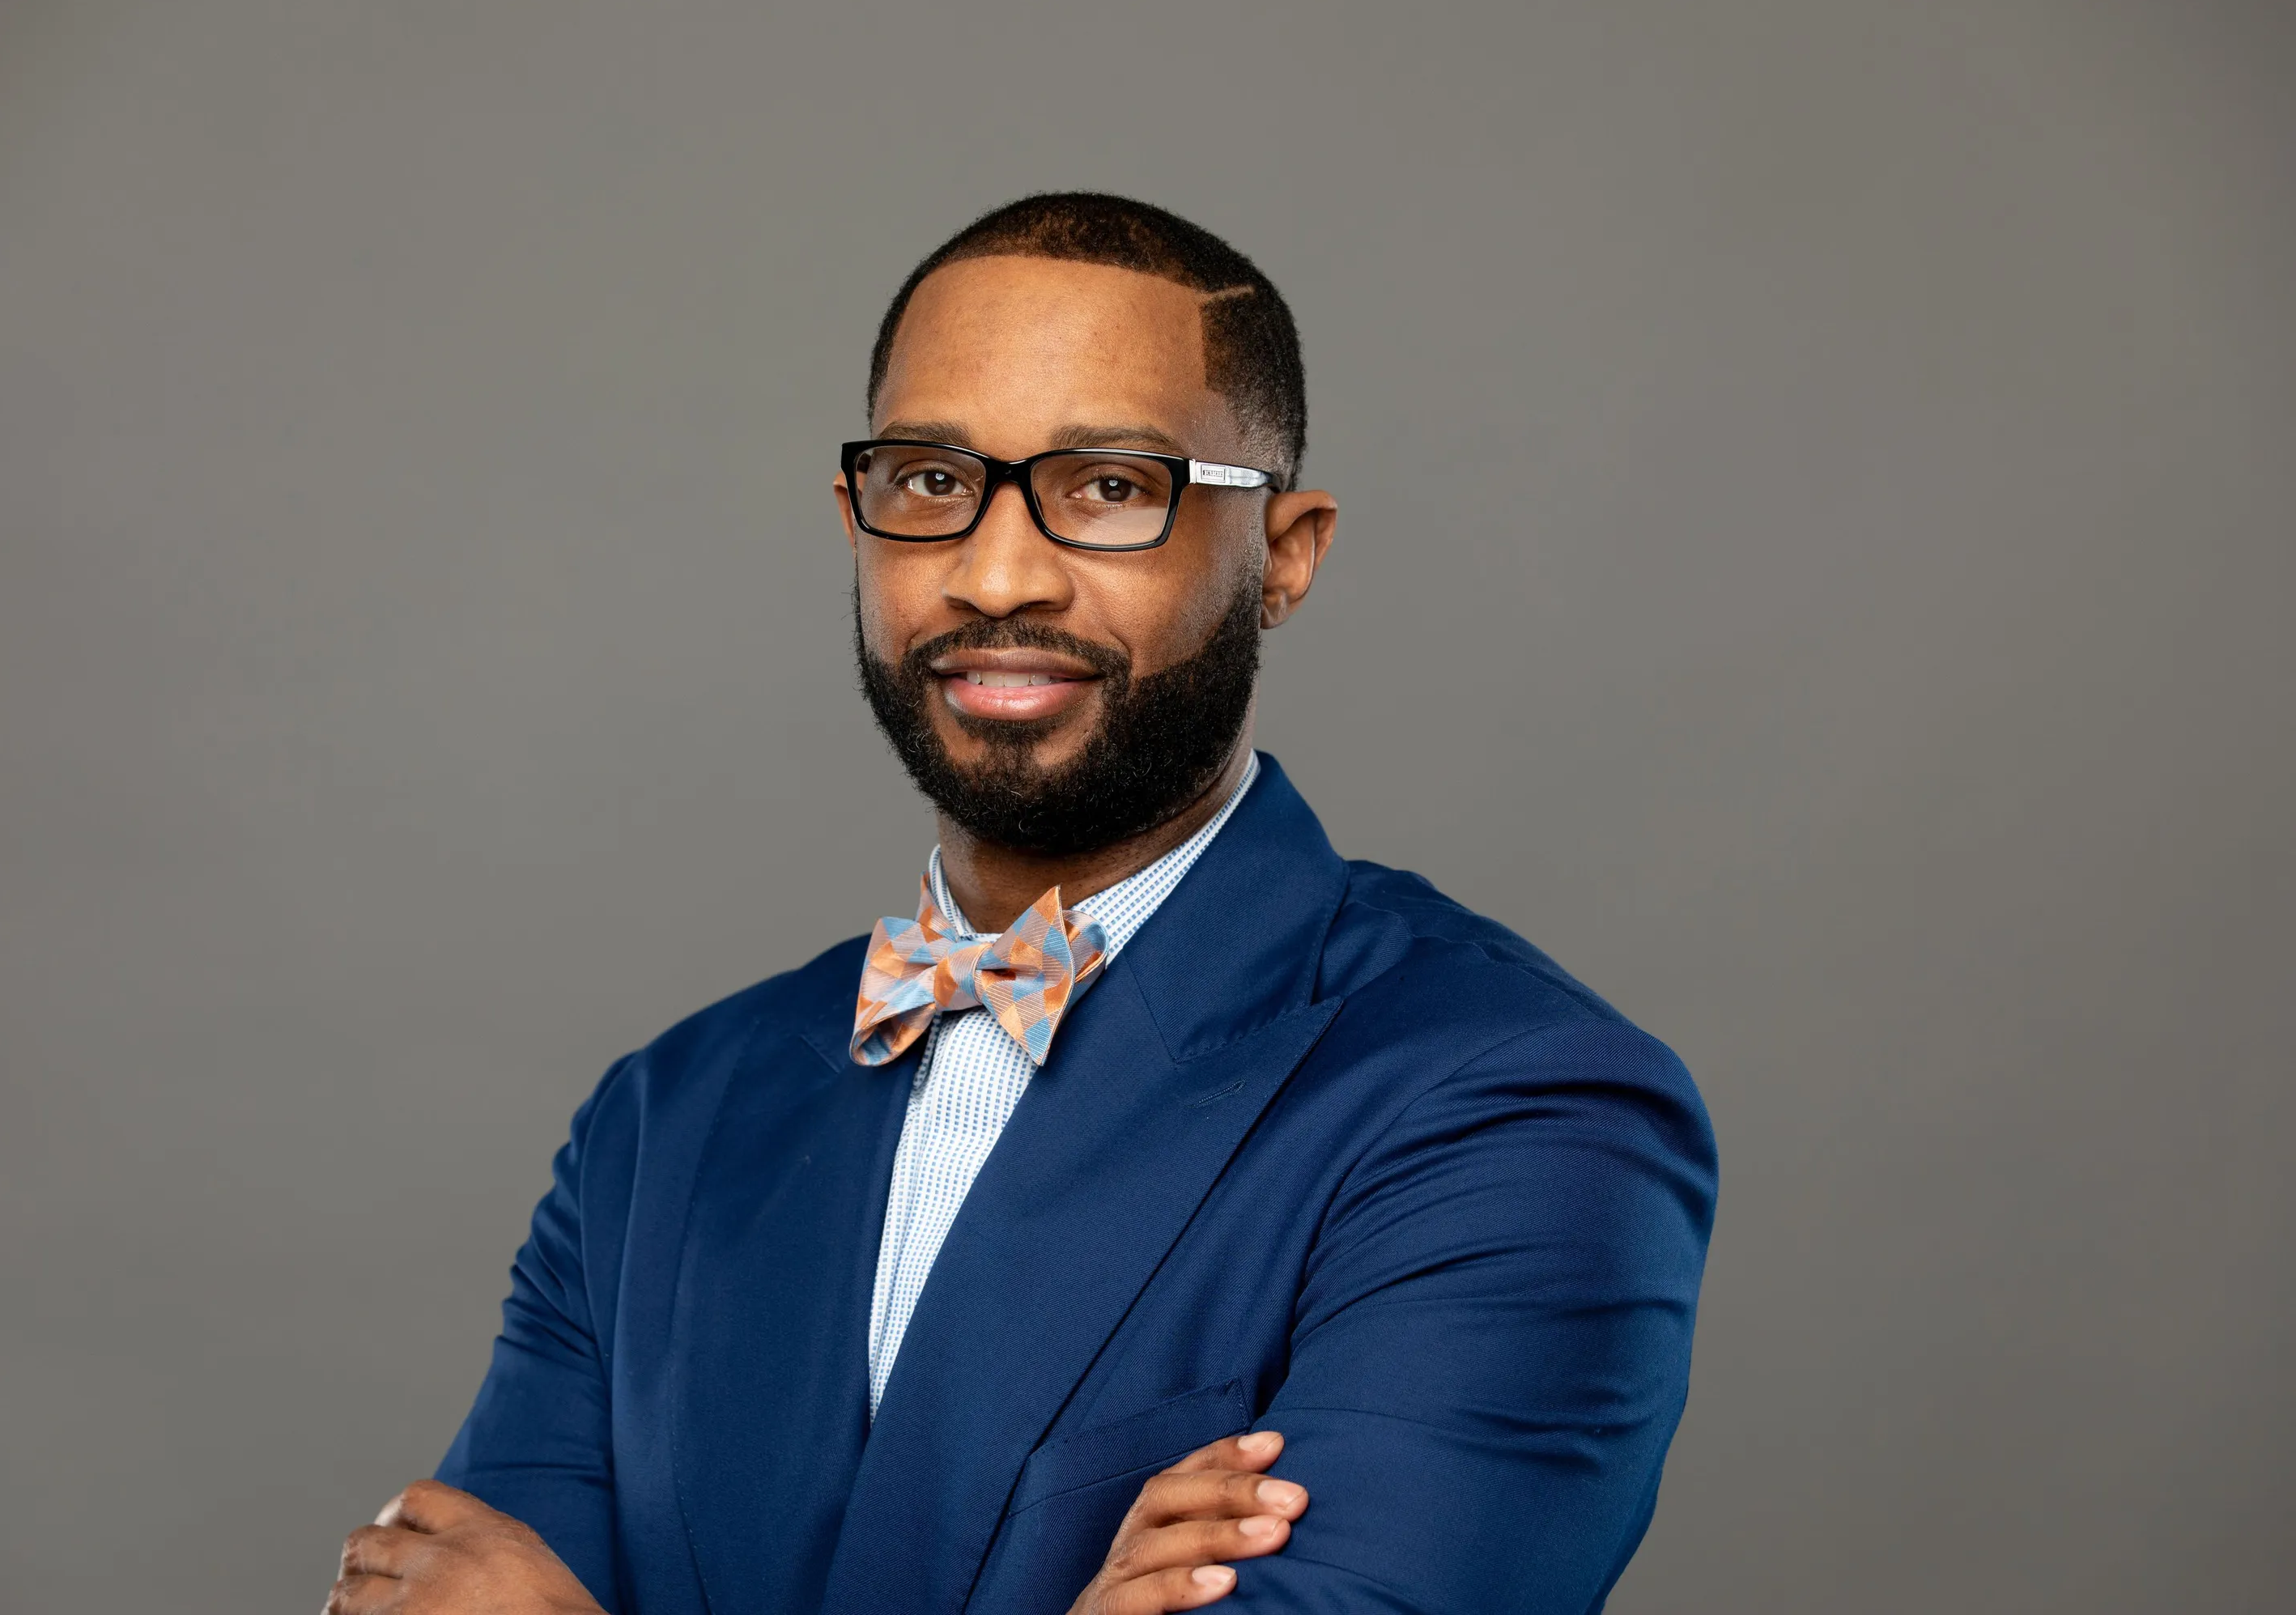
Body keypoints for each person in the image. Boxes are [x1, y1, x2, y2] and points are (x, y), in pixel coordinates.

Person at [322, 193, 1717, 1615]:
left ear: (1283, 556)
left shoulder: (1515, 1104)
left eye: (1111, 487)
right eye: (932, 481)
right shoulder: (663, 1121)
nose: (995, 573)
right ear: (856, 521)